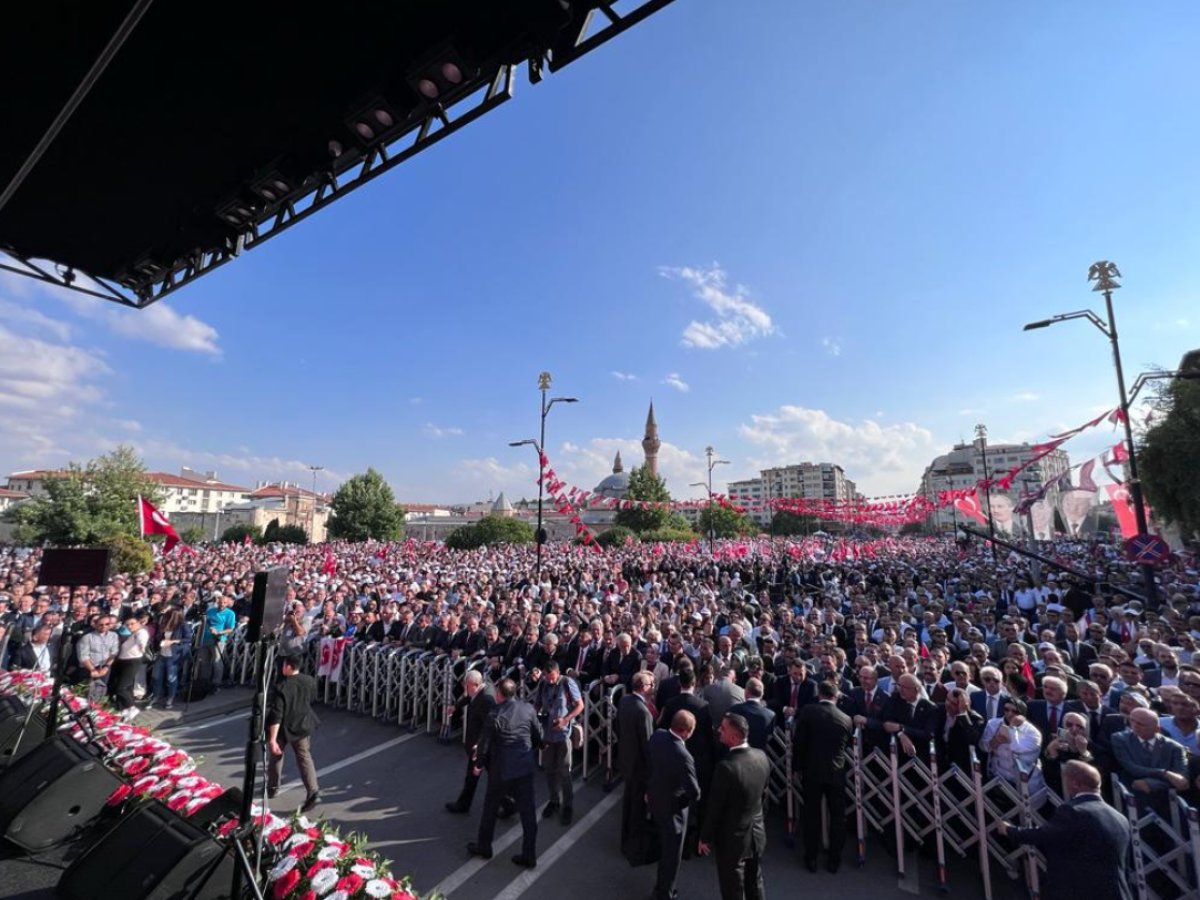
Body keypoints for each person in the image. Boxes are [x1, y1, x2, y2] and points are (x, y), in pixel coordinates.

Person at [998, 761, 1132, 900]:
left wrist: (1010, 830)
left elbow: (1044, 835)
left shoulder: (1074, 811)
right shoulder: (1121, 819)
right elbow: (1125, 866)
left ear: (1074, 783)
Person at [469, 677, 542, 869]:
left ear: (500, 694)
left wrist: (478, 764)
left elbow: (484, 744)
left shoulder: (495, 714)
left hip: (502, 769)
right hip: (524, 768)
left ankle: (484, 846)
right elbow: (539, 735)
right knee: (528, 814)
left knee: (490, 808)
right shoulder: (527, 708)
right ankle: (529, 854)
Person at [698, 712, 770, 899]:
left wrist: (705, 837)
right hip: (757, 833)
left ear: (734, 736)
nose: (718, 731)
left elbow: (715, 807)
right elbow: (763, 795)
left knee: (733, 888)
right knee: (755, 880)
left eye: (723, 728)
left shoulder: (726, 767)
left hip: (733, 838)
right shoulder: (761, 756)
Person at [792, 680, 854, 873]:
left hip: (812, 770)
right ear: (836, 696)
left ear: (819, 693)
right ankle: (834, 859)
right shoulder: (846, 719)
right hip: (836, 771)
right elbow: (848, 745)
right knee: (837, 816)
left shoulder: (808, 711)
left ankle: (811, 856)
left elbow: (799, 742)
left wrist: (796, 767)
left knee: (811, 815)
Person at [647, 710, 701, 900]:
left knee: (662, 841)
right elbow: (694, 792)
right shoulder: (684, 755)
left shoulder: (657, 736)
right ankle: (665, 892)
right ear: (686, 732)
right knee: (672, 854)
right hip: (673, 810)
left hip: (655, 799)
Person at [530, 660, 584, 824]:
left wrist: (566, 719)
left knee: (564, 771)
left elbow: (579, 705)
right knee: (549, 769)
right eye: (547, 677)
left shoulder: (567, 683)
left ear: (557, 673)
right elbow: (538, 703)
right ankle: (554, 801)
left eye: (552, 677)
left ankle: (568, 806)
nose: (550, 680)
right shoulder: (543, 684)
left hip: (563, 734)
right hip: (547, 733)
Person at [266, 654, 322, 813]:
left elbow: (277, 714)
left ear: (289, 667)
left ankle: (273, 787)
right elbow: (311, 698)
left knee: (276, 755)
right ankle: (313, 790)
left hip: (285, 726)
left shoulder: (282, 686)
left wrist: (272, 739)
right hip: (303, 724)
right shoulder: (308, 680)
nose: (282, 667)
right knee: (304, 757)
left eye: (284, 665)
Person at [445, 669, 494, 814]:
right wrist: (456, 706)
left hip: (481, 746)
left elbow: (489, 725)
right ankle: (463, 804)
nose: (465, 689)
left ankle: (463, 805)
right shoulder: (482, 688)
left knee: (479, 775)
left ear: (474, 684)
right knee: (481, 776)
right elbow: (468, 697)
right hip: (480, 745)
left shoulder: (486, 700)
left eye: (467, 686)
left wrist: (480, 744)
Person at [617, 671, 656, 847]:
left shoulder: (624, 701)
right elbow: (648, 744)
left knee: (628, 802)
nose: (653, 688)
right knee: (637, 807)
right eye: (651, 685)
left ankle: (625, 837)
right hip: (639, 766)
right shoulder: (644, 712)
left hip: (626, 760)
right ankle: (632, 842)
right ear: (643, 687)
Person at [110, 612, 149, 720]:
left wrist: (142, 647)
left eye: (132, 624)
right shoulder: (134, 633)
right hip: (124, 661)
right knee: (127, 687)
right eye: (127, 625)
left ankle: (132, 707)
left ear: (139, 623)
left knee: (121, 687)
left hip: (132, 661)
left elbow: (142, 642)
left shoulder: (141, 632)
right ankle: (123, 709)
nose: (130, 626)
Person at [151, 605, 190, 709]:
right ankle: (156, 696)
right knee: (156, 676)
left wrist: (172, 641)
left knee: (171, 678)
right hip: (162, 653)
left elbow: (188, 639)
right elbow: (159, 636)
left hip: (173, 655)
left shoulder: (182, 625)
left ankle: (170, 698)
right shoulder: (164, 623)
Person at [76, 613, 118, 704]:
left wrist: (106, 667)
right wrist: (92, 669)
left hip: (105, 667)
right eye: (101, 624)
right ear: (96, 625)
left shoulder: (114, 636)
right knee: (85, 693)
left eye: (107, 624)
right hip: (89, 667)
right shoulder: (87, 637)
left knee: (100, 691)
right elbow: (83, 656)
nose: (104, 626)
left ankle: (96, 710)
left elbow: (113, 653)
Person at [201, 593, 236, 690]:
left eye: (224, 602)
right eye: (220, 602)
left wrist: (219, 632)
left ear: (227, 603)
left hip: (218, 640)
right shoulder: (211, 611)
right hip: (205, 639)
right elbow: (205, 621)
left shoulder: (230, 613)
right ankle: (204, 682)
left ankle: (216, 684)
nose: (222, 604)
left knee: (217, 662)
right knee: (204, 662)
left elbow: (230, 629)